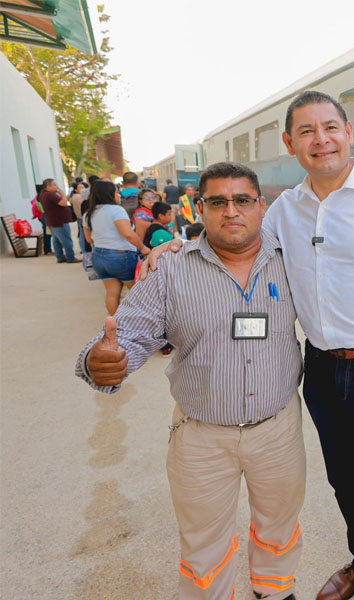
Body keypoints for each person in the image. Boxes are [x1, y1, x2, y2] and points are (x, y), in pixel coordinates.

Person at [143, 90, 354, 600]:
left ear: (349, 133)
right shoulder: (284, 211)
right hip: (321, 370)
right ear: (290, 144)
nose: (320, 139)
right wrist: (178, 246)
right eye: (306, 131)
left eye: (330, 127)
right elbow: (236, 238)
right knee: (345, 485)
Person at [77, 162, 305, 600]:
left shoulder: (293, 261)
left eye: (242, 200)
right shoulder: (172, 268)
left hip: (278, 430)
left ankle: (275, 593)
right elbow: (131, 330)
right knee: (204, 545)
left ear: (262, 207)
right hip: (202, 437)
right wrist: (101, 360)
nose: (231, 211)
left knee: (279, 528)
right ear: (199, 208)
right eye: (217, 202)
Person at [83, 181, 150, 315]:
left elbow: (89, 239)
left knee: (112, 294)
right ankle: (143, 323)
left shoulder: (88, 214)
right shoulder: (116, 210)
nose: (119, 195)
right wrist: (143, 248)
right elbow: (128, 234)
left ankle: (116, 326)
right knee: (139, 293)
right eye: (116, 192)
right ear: (109, 194)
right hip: (120, 257)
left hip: (99, 257)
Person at [39, 178, 78, 263]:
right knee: (66, 240)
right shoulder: (50, 195)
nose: (57, 186)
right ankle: (70, 257)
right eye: (54, 184)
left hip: (53, 220)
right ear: (48, 186)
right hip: (59, 221)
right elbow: (63, 203)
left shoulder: (44, 194)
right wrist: (62, 193)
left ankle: (60, 257)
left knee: (56, 240)